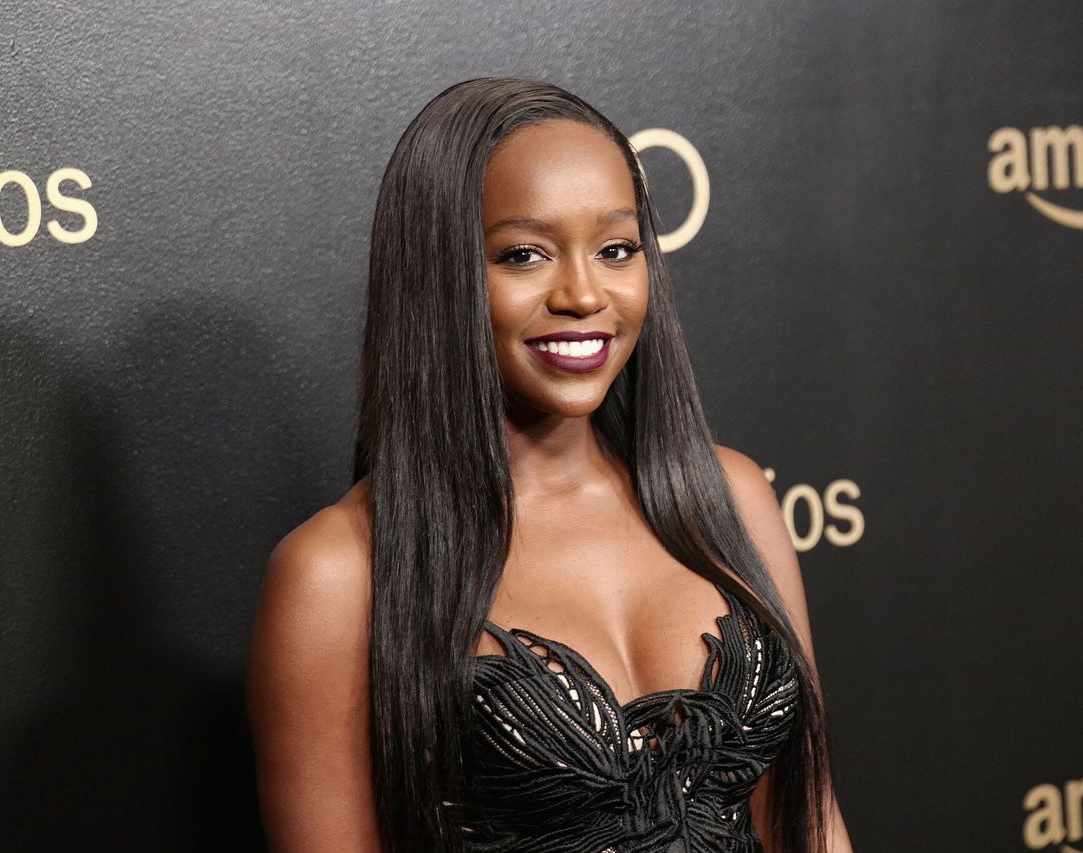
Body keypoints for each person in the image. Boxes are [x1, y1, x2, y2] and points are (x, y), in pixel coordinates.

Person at [246, 77, 853, 852]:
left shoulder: (729, 496)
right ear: (441, 275)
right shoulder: (337, 573)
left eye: (615, 249)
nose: (583, 293)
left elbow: (809, 817)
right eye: (523, 254)